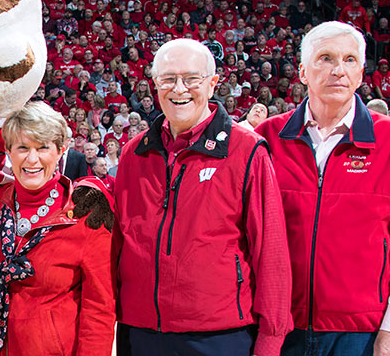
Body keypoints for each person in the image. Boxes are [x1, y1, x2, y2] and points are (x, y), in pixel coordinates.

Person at [255, 22, 390, 356]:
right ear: (303, 72)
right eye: (325, 58)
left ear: (362, 72)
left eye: (350, 60)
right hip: (279, 329)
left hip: (360, 333)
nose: (339, 70)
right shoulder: (267, 138)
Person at [114, 39, 292, 356]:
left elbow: (271, 252)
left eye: (191, 79)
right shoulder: (134, 153)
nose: (179, 89)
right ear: (155, 86)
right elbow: (120, 241)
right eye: (168, 79)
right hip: (139, 332)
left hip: (219, 336)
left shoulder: (246, 150)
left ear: (211, 84)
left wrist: (271, 338)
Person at [0, 102, 115, 356]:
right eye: (22, 148)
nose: (32, 159)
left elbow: (100, 307)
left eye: (43, 148)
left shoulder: (85, 212)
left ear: (61, 151)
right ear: (8, 151)